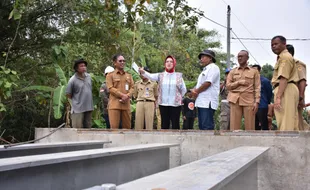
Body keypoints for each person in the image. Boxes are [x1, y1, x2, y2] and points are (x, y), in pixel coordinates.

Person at [139, 55, 187, 130]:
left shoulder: (178, 76)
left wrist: (179, 98)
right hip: (163, 104)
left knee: (175, 124)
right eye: (167, 61)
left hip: (175, 105)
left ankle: (176, 141)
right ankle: (165, 141)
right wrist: (143, 72)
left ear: (174, 63)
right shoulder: (160, 75)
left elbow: (183, 89)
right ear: (165, 64)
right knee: (164, 124)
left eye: (171, 62)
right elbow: (150, 76)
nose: (169, 63)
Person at [226, 50, 260, 130]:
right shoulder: (232, 71)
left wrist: (257, 102)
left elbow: (257, 87)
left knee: (250, 126)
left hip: (249, 100)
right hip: (234, 99)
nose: (239, 58)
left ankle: (249, 142)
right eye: (238, 56)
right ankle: (234, 141)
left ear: (247, 58)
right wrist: (239, 82)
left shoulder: (254, 72)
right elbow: (228, 86)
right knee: (234, 127)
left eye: (241, 56)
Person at [271, 36, 299, 131]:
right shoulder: (282, 57)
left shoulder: (285, 57)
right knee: (287, 120)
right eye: (272, 45)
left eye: (276, 44)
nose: (274, 46)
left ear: (284, 44)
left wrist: (278, 97)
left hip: (286, 89)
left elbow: (283, 78)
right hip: (286, 88)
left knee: (286, 122)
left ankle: (285, 145)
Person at [191, 49, 220, 130]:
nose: (201, 59)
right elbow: (200, 84)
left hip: (207, 102)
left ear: (210, 58)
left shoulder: (214, 67)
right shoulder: (205, 69)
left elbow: (208, 83)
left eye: (203, 57)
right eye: (201, 57)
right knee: (202, 127)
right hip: (201, 102)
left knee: (207, 126)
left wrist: (196, 91)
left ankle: (209, 143)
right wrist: (193, 90)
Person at [106, 54, 134, 129]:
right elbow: (110, 88)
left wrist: (127, 96)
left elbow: (133, 88)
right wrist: (122, 95)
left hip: (126, 105)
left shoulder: (129, 76)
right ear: (115, 63)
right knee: (114, 129)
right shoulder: (110, 75)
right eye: (120, 61)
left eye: (124, 61)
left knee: (127, 128)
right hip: (115, 105)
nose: (122, 62)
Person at [66, 59, 93, 128]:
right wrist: (77, 101)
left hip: (88, 107)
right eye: (81, 66)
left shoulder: (89, 77)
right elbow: (68, 94)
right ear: (76, 68)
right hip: (78, 109)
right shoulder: (72, 80)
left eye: (84, 66)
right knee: (77, 130)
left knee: (88, 129)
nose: (84, 67)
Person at [286, 44, 307, 130]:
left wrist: (300, 97)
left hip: (295, 94)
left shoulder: (298, 64)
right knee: (287, 119)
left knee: (297, 119)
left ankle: (301, 140)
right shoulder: (283, 64)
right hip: (285, 94)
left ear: (289, 53)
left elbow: (302, 80)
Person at [252, 64, 273, 130]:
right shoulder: (250, 81)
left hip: (262, 105)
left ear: (259, 70)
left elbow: (269, 92)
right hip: (252, 106)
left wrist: (268, 102)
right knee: (254, 125)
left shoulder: (265, 81)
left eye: (255, 70)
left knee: (264, 124)